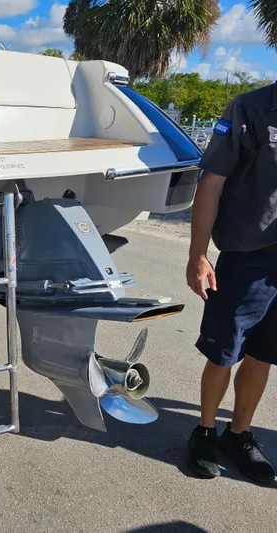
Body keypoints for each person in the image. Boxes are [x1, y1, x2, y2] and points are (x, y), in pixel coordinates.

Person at [186, 84, 277, 485]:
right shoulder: (250, 107)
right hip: (247, 255)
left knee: (264, 355)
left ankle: (237, 436)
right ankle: (205, 432)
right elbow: (211, 183)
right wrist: (198, 254)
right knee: (225, 352)